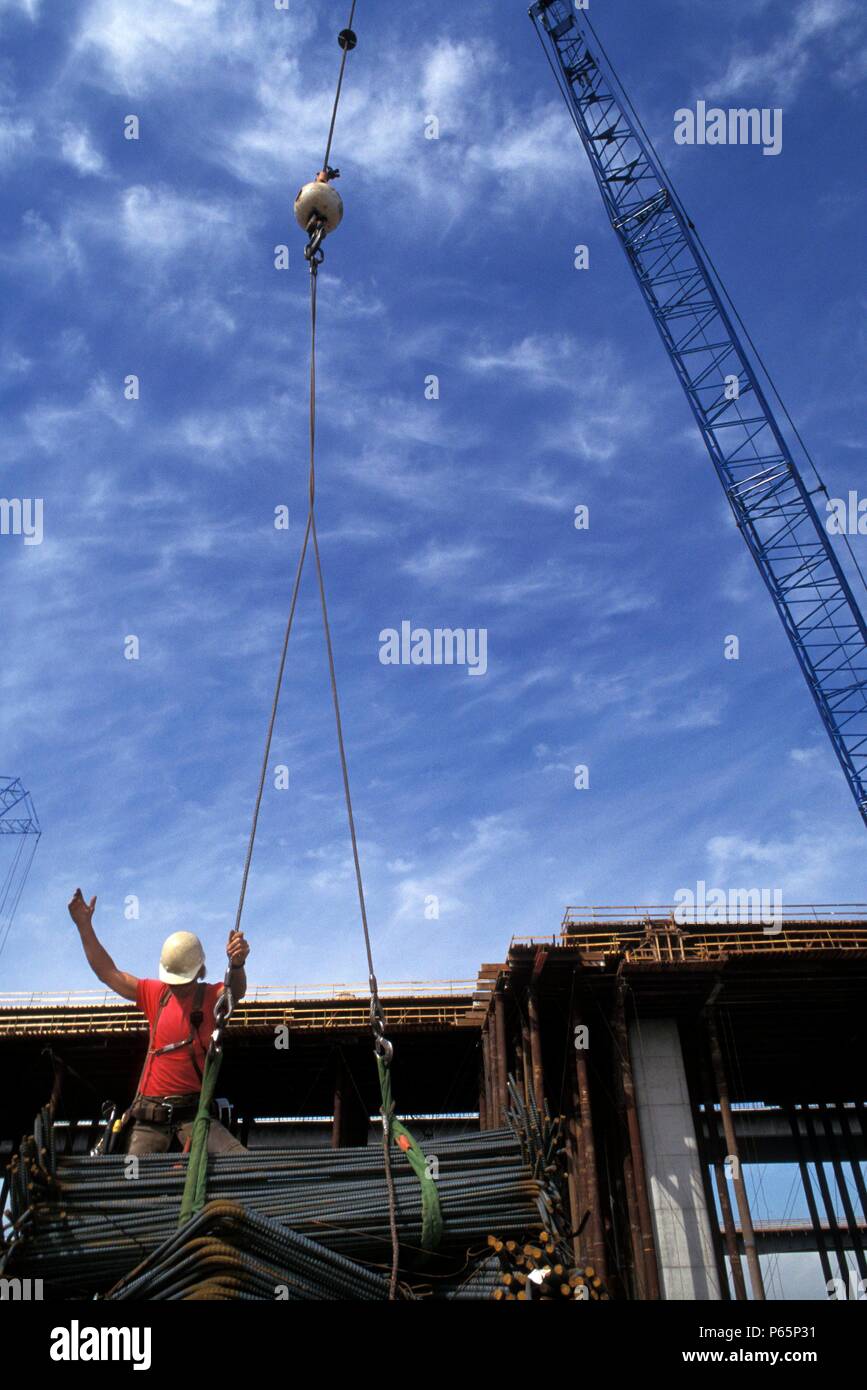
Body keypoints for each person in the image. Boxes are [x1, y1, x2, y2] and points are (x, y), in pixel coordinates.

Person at [67, 887, 250, 1156]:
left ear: (199, 970)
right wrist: (84, 926)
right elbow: (108, 973)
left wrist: (237, 965)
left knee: (243, 1166)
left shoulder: (212, 996)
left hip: (194, 1116)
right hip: (148, 1118)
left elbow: (236, 991)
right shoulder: (156, 994)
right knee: (133, 1185)